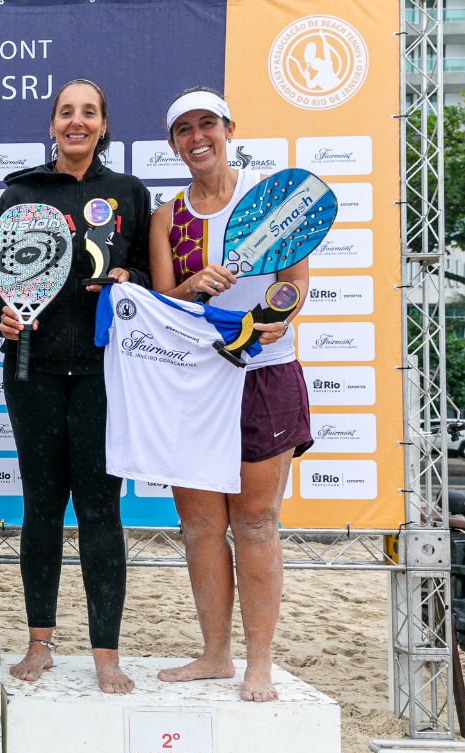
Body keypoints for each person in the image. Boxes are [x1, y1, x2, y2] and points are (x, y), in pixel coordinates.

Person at [149, 87, 311, 702]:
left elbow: (294, 285)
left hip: (264, 372)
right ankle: (215, 654)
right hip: (193, 379)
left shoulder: (273, 199)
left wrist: (278, 316)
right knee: (197, 524)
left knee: (257, 520)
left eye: (207, 124)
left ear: (228, 128)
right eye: (184, 128)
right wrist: (192, 284)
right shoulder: (168, 217)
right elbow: (164, 307)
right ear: (173, 143)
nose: (198, 137)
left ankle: (259, 664)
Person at [0, 79, 151, 693]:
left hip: (105, 372)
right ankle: (40, 642)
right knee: (40, 506)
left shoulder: (128, 192)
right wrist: (3, 313)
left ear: (103, 125)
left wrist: (126, 275)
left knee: (100, 510)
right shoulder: (21, 192)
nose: (76, 122)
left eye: (88, 113)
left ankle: (105, 652)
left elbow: (150, 277)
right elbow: (1, 278)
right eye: (66, 112)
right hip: (31, 366)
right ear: (53, 124)